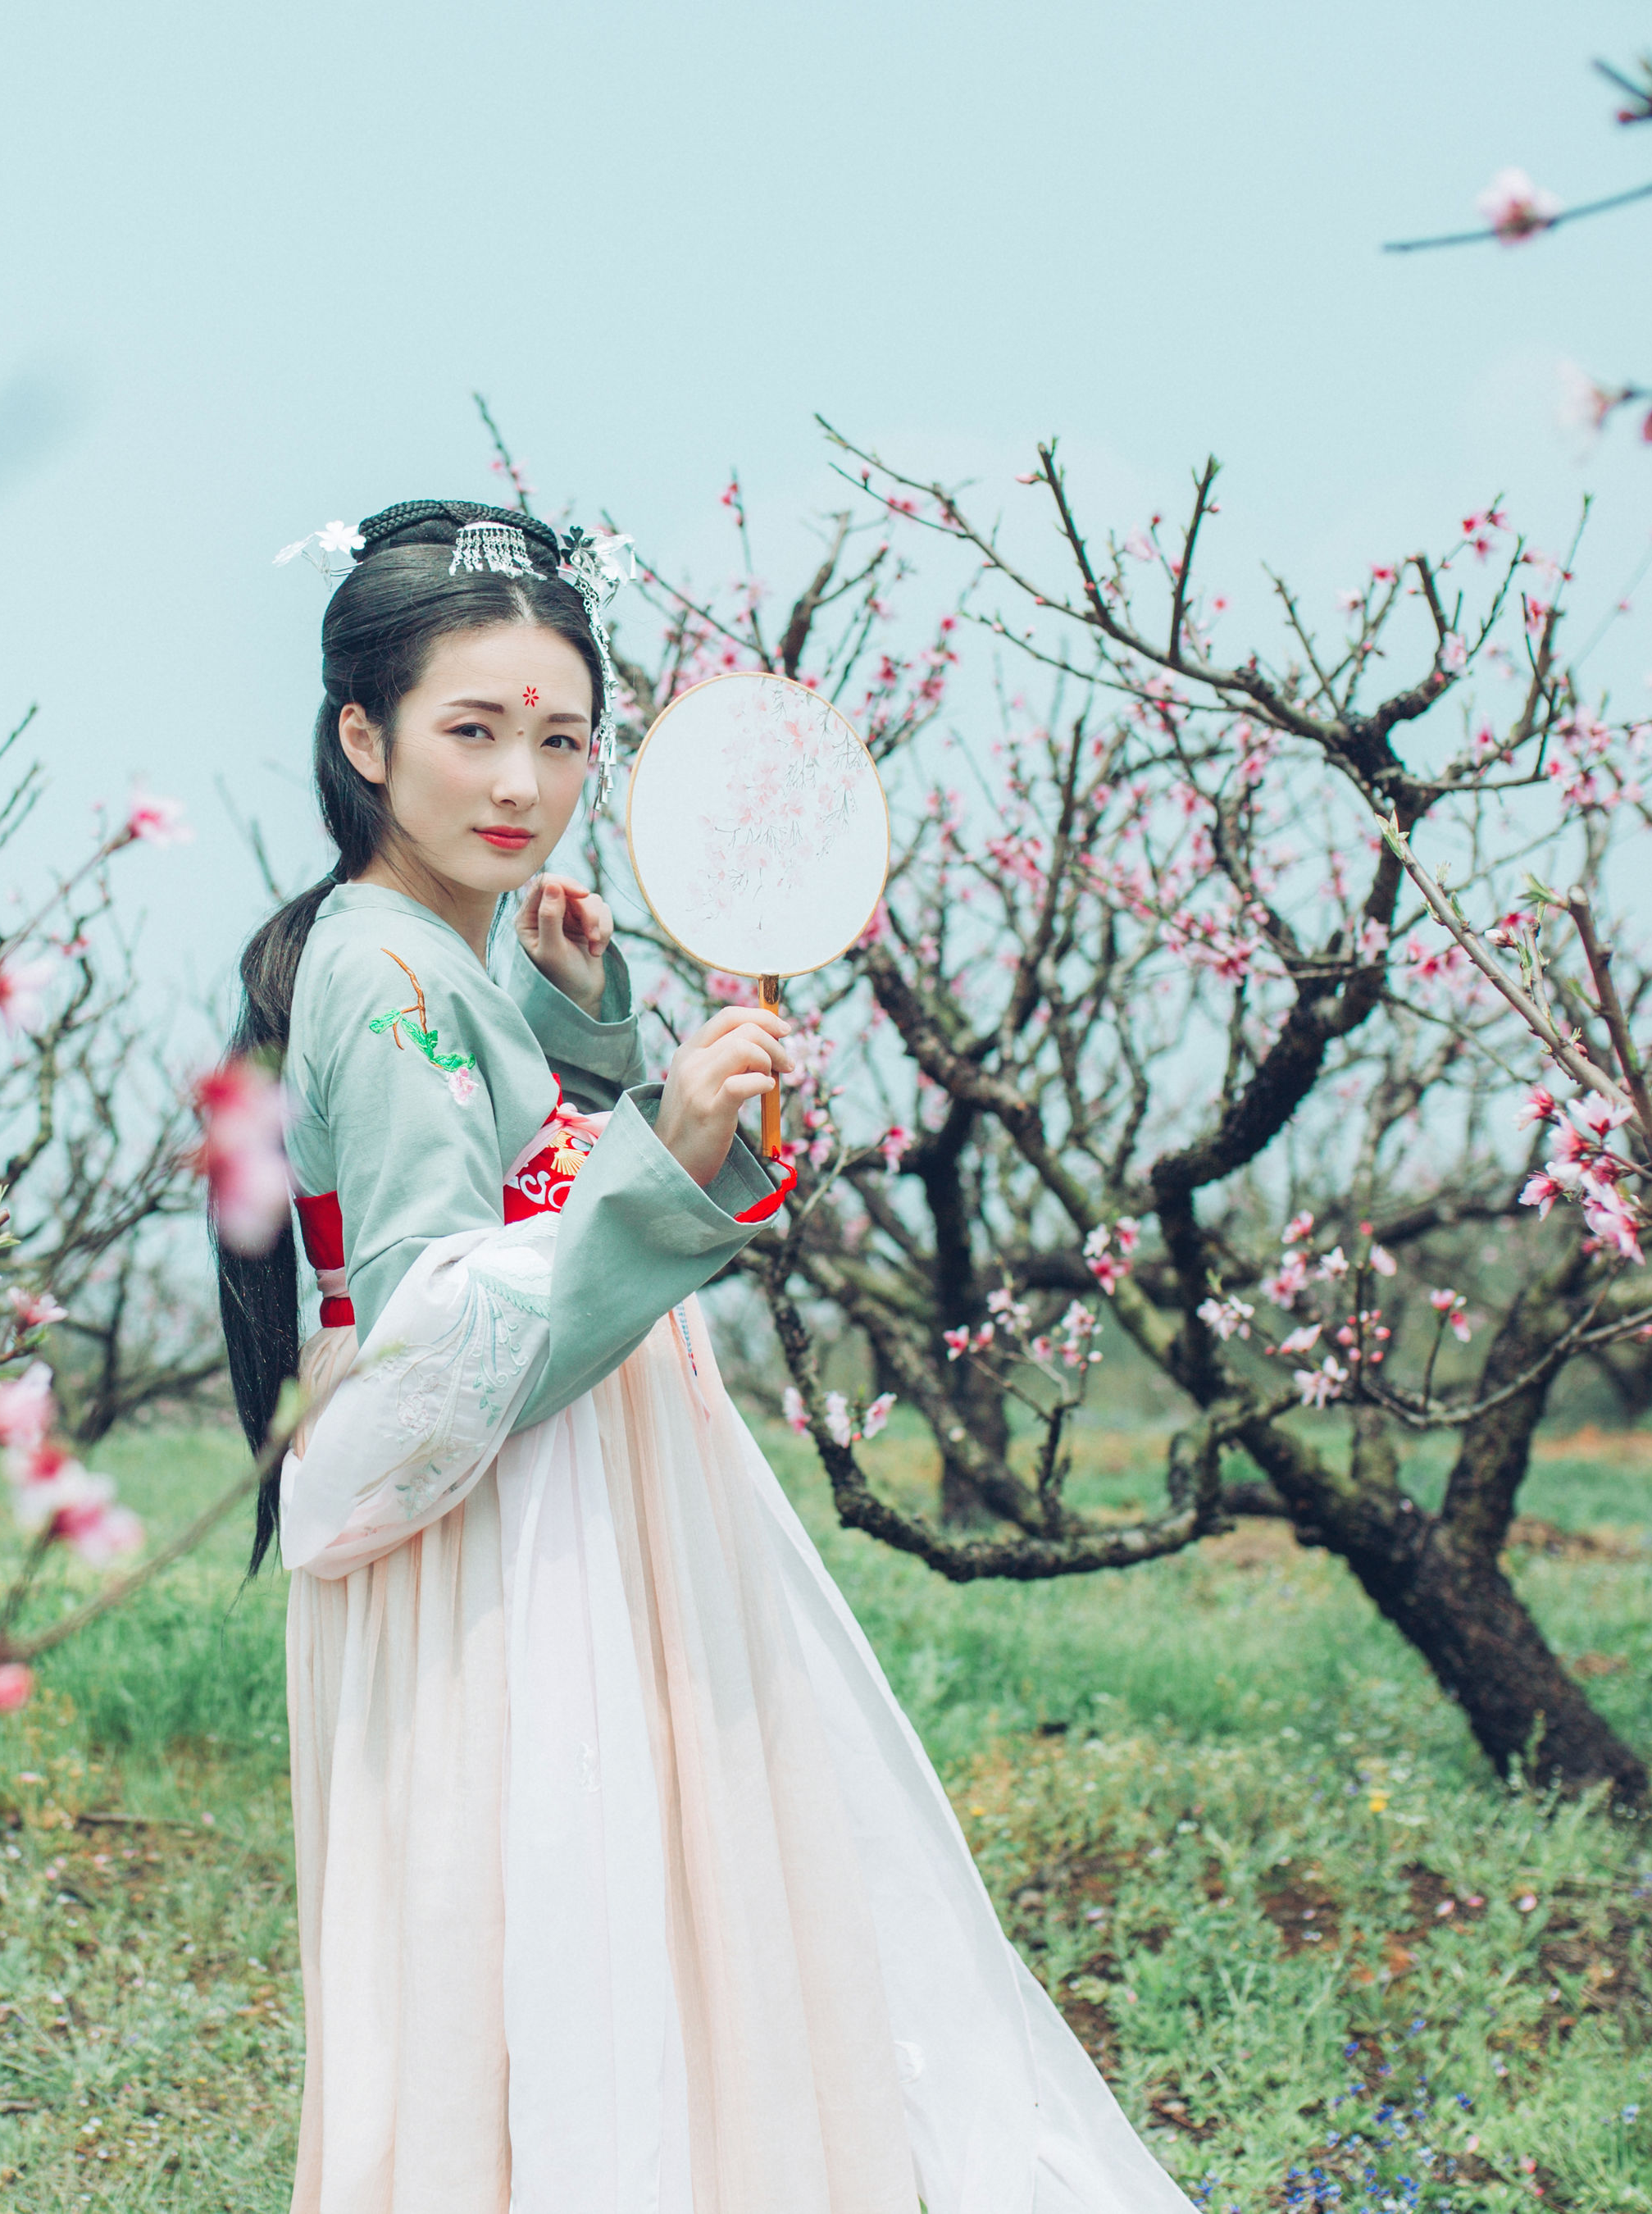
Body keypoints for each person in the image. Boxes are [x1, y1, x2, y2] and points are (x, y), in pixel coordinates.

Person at [220, 498, 1198, 2213]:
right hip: (515, 1523)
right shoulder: (383, 980)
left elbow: (500, 1171)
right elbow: (435, 1321)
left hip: (561, 1491)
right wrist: (657, 1158)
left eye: (561, 737)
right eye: (471, 731)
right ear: (363, 736)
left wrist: (577, 1038)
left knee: (565, 1943)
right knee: (594, 1928)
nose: (522, 782)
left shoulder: (416, 947)